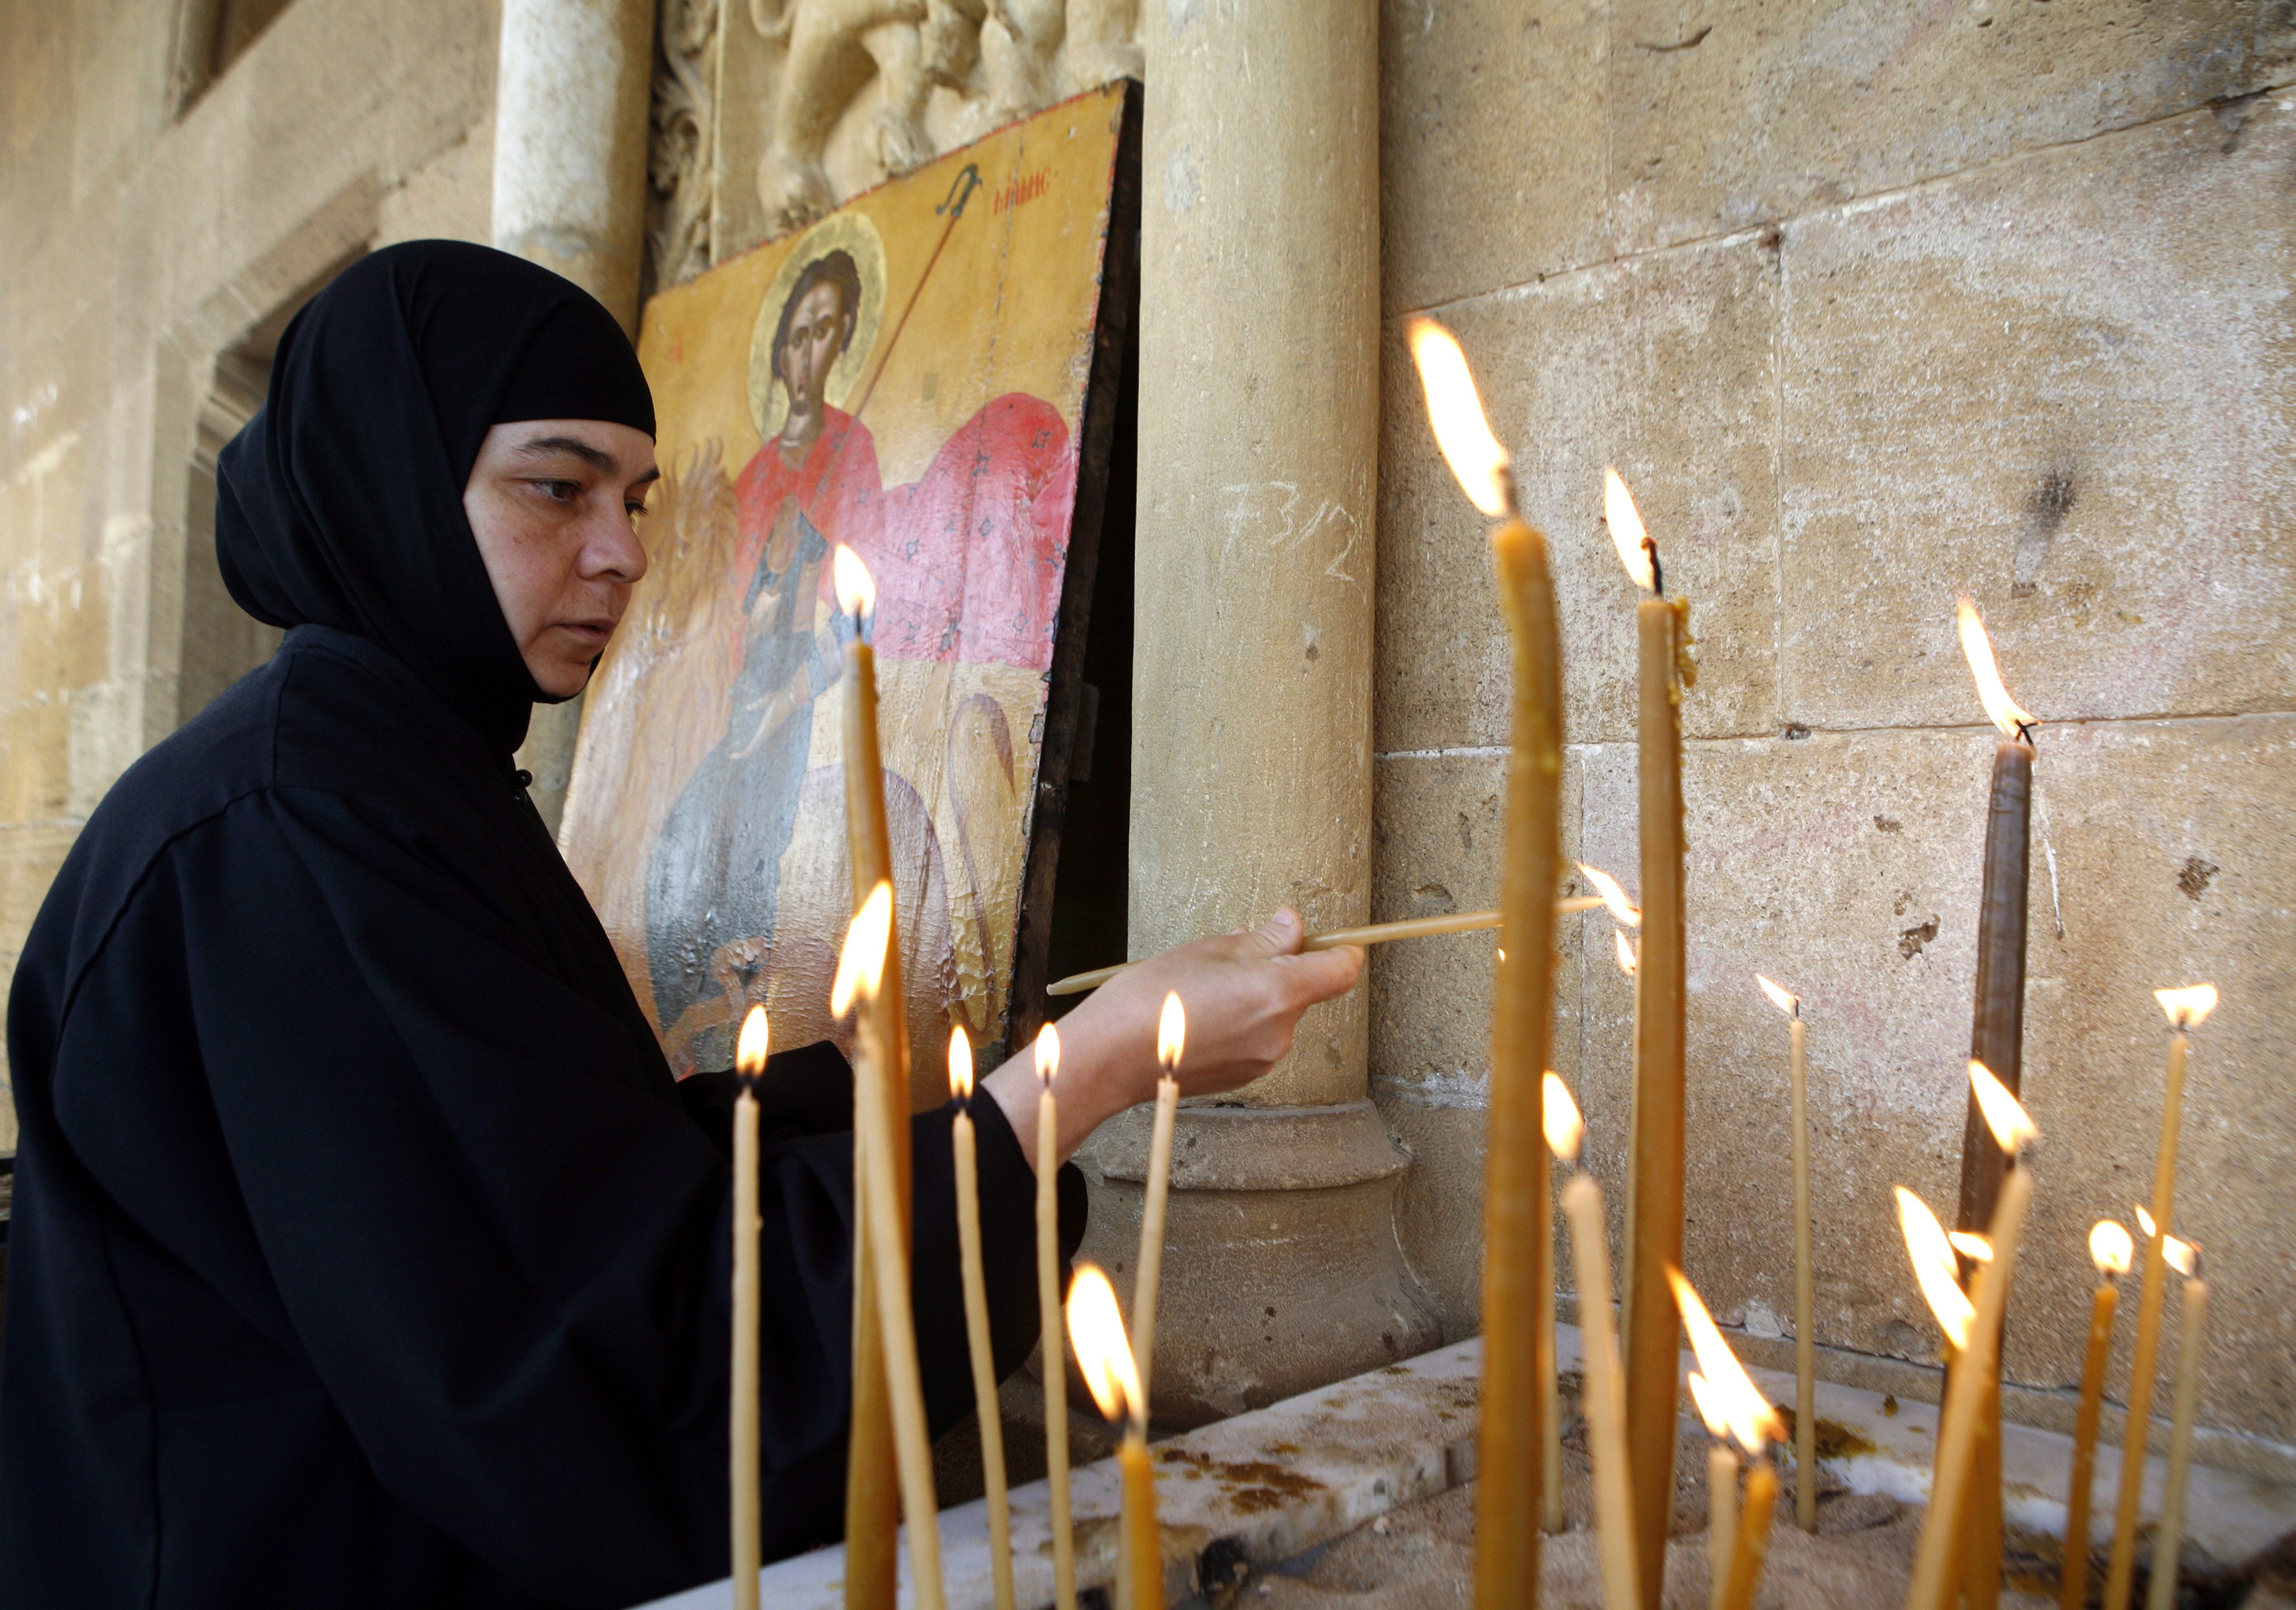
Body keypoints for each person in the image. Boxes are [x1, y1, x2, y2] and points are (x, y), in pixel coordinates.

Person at [0, 239, 1363, 1609]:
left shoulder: (390, 770)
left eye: (638, 499)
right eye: (555, 489)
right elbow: (591, 1366)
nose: (626, 554)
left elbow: (549, 1175)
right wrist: (1098, 1070)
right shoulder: (293, 827)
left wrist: (886, 1095)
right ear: (389, 480)